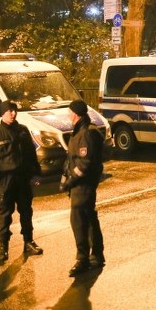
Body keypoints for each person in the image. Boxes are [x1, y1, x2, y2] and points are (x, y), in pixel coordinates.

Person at [0, 100, 43, 261]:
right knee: (5, 215)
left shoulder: (22, 131)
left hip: (22, 179)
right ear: (3, 113)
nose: (13, 113)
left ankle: (29, 242)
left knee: (26, 212)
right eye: (9, 111)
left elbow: (31, 154)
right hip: (4, 181)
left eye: (14, 110)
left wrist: (36, 173)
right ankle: (3, 247)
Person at [60, 100, 105, 277]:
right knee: (89, 217)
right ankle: (97, 254)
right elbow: (72, 157)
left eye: (69, 112)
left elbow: (84, 163)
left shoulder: (84, 133)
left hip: (83, 185)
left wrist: (70, 181)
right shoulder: (80, 129)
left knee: (78, 221)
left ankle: (83, 259)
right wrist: (65, 175)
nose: (68, 115)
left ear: (76, 114)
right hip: (83, 184)